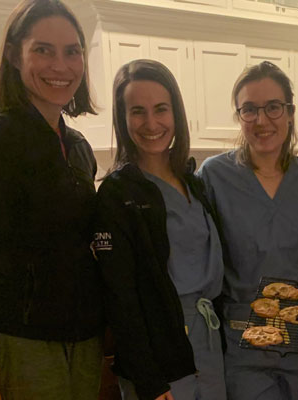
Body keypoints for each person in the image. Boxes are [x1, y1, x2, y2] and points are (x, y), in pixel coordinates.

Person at [0, 0, 104, 399]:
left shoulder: (78, 147)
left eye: (72, 51)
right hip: (24, 342)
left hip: (84, 342)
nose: (60, 66)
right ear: (14, 55)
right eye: (43, 50)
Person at [93, 59, 226, 400]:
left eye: (161, 109)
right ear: (122, 120)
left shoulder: (192, 184)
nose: (151, 122)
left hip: (207, 343)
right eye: (137, 111)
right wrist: (150, 380)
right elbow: (120, 298)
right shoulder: (117, 194)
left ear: (176, 114)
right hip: (157, 355)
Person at [198, 61, 298, 400]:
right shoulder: (214, 177)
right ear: (239, 116)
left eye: (273, 107)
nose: (262, 120)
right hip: (243, 339)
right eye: (250, 109)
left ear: (290, 112)